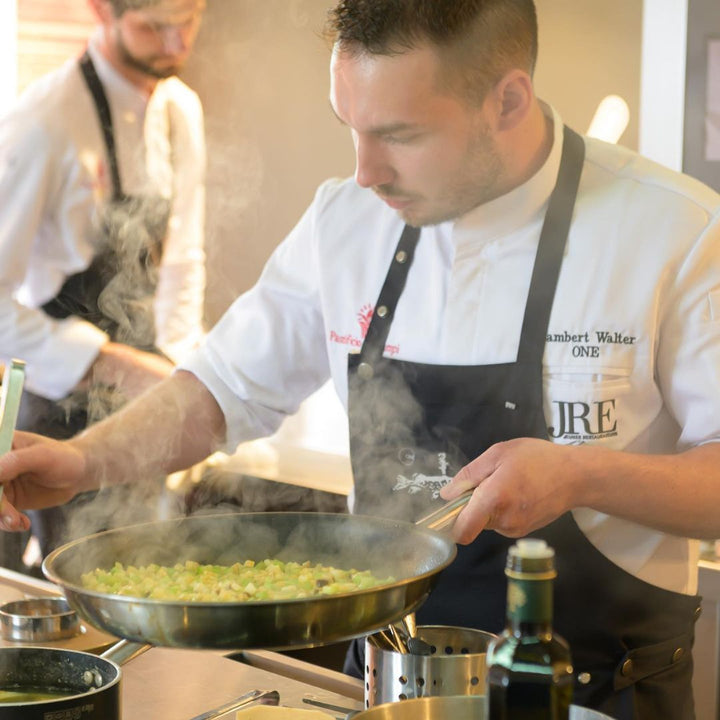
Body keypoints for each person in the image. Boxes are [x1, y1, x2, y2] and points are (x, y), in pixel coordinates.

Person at [0, 1, 718, 717]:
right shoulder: (345, 222)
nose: (365, 172)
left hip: (602, 695)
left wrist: (582, 473)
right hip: (384, 690)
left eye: (399, 135)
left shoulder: (672, 232)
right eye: (352, 128)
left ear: (507, 100)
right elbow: (219, 390)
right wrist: (83, 461)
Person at [0, 0, 207, 567]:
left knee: (143, 574)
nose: (174, 44)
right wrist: (110, 363)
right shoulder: (44, 120)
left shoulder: (180, 109)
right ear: (100, 10)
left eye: (188, 19)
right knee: (77, 585)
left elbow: (184, 260)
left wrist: (184, 378)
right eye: (153, 26)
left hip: (145, 389)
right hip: (57, 407)